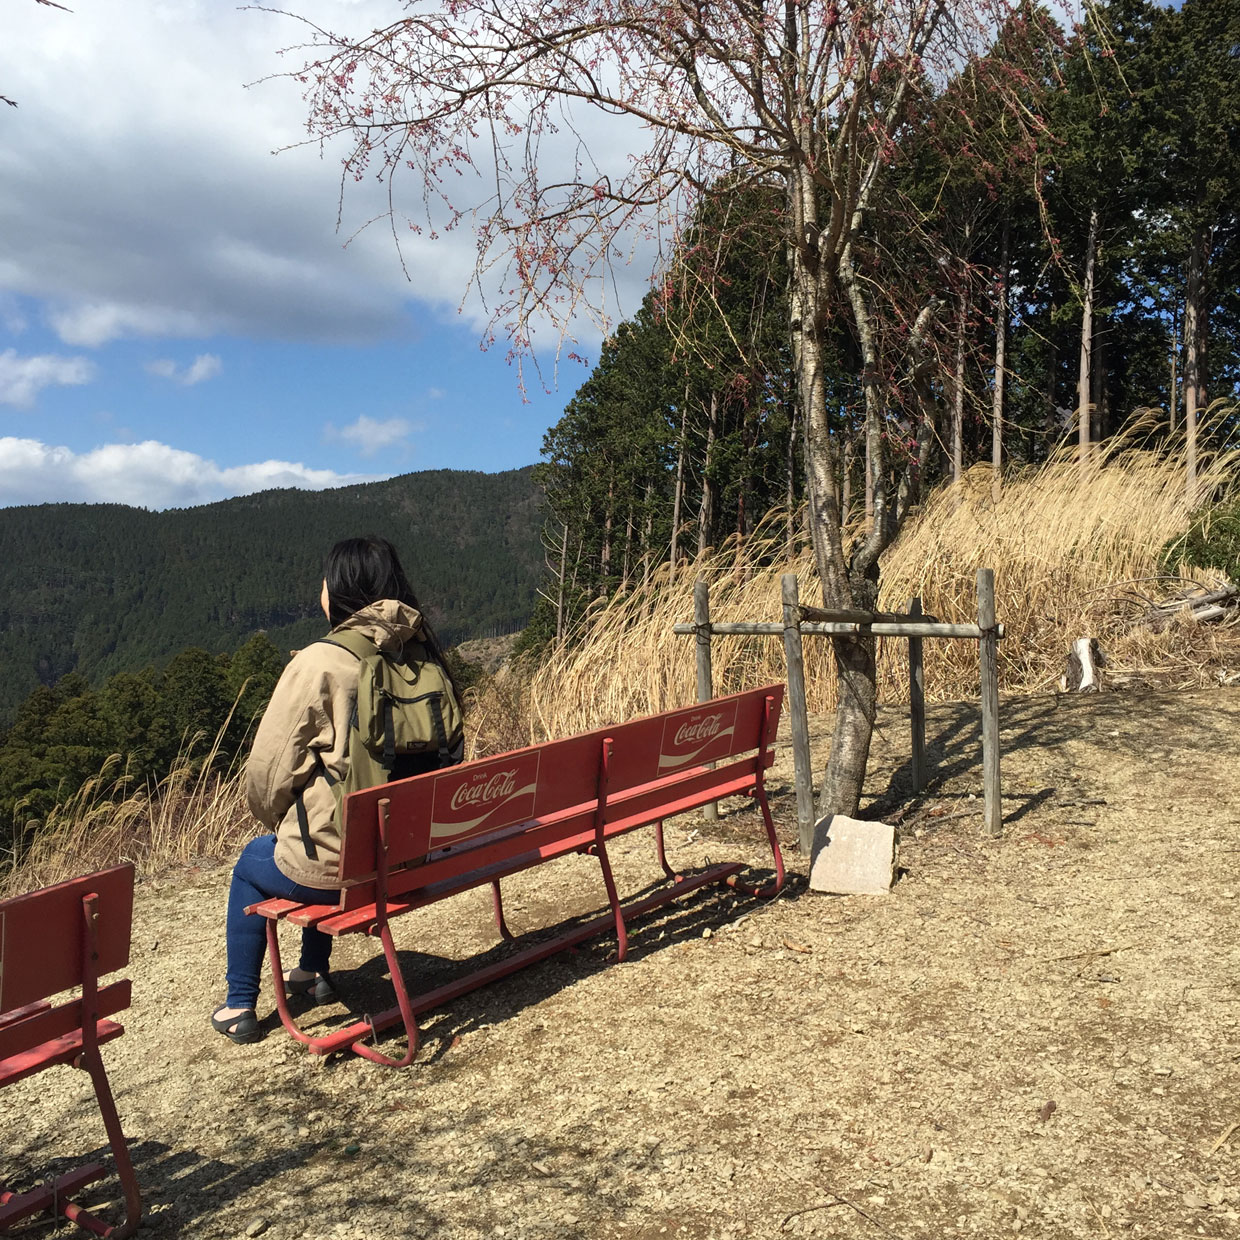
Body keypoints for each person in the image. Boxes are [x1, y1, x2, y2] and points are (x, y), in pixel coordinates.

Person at [211, 536, 462, 1044]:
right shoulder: (423, 652)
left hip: (344, 870)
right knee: (328, 831)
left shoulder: (321, 662)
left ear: (341, 590)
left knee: (256, 863)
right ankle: (310, 972)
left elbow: (266, 775)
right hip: (411, 857)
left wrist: (277, 820)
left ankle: (239, 1003)